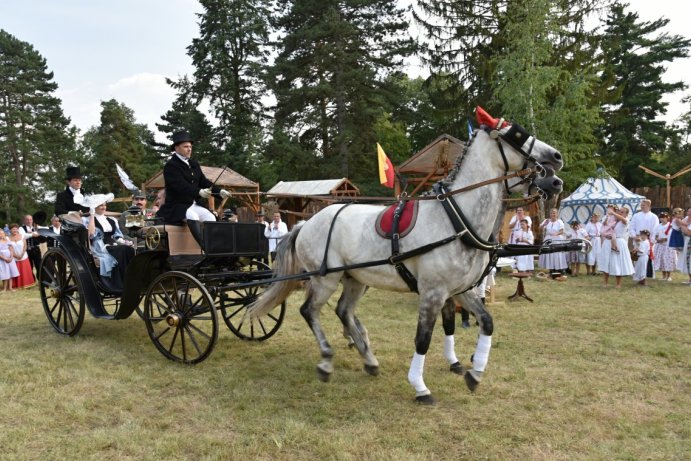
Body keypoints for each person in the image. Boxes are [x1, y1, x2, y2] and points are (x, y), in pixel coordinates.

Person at [156, 130, 231, 225]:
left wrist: (219, 192)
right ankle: (199, 240)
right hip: (177, 206)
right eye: (186, 147)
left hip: (194, 204)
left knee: (211, 218)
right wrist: (198, 191)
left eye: (190, 147)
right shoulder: (171, 166)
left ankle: (208, 240)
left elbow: (203, 182)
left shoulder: (194, 164)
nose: (189, 149)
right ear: (176, 148)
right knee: (193, 217)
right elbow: (180, 186)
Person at [83, 195, 134, 286]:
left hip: (113, 244)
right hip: (99, 246)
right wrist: (91, 215)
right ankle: (123, 282)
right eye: (100, 205)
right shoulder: (87, 220)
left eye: (104, 205)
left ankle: (129, 278)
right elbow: (91, 235)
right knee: (124, 250)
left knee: (129, 249)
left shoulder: (112, 220)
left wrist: (123, 241)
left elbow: (117, 235)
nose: (103, 207)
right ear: (94, 206)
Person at [597, 207, 634, 288]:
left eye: (622, 212)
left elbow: (623, 220)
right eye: (619, 211)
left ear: (626, 214)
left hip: (619, 242)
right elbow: (604, 226)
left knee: (618, 263)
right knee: (606, 261)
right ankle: (605, 283)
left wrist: (613, 213)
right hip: (608, 241)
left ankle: (618, 284)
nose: (620, 213)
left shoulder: (626, 220)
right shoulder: (613, 220)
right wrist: (608, 217)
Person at [629, 199, 659, 279]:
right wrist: (634, 236)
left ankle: (647, 274)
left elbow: (655, 229)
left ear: (649, 206)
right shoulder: (636, 215)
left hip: (648, 240)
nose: (642, 206)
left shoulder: (654, 216)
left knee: (647, 257)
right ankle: (637, 273)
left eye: (644, 205)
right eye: (641, 205)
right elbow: (632, 227)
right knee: (636, 256)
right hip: (638, 238)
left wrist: (652, 240)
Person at [538, 208, 567, 275]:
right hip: (548, 239)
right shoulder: (547, 221)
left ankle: (559, 269)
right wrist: (544, 224)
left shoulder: (559, 221)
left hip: (557, 239)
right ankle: (551, 269)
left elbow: (562, 231)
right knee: (549, 254)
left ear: (557, 214)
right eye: (551, 213)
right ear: (550, 214)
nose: (553, 214)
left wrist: (556, 234)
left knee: (557, 254)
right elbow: (540, 228)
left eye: (554, 213)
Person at [7, 223, 36, 289]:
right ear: (10, 230)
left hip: (23, 256)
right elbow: (9, 249)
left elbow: (25, 246)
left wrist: (22, 254)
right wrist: (16, 256)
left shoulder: (22, 236)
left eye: (16, 229)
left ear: (18, 229)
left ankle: (27, 284)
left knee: (25, 271)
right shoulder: (8, 238)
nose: (14, 230)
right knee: (16, 272)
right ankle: (17, 285)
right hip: (14, 258)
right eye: (13, 229)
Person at [652, 212, 677, 282]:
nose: (662, 219)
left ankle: (669, 276)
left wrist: (664, 239)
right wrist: (657, 238)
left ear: (667, 218)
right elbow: (655, 234)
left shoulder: (670, 226)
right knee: (662, 260)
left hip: (667, 246)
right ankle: (663, 275)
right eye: (661, 218)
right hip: (660, 245)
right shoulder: (658, 226)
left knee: (667, 260)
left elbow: (671, 235)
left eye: (664, 218)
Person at [18, 214, 42, 279]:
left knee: (39, 265)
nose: (29, 221)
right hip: (27, 250)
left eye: (30, 219)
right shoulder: (21, 228)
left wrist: (31, 233)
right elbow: (23, 236)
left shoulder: (37, 227)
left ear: (32, 220)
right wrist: (33, 234)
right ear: (24, 220)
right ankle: (31, 280)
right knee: (29, 266)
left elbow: (43, 231)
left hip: (36, 248)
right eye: (27, 219)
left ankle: (40, 280)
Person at [677, 207, 691, 285]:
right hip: (686, 240)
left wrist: (681, 225)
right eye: (688, 211)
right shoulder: (686, 218)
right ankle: (690, 279)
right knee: (687, 259)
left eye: (690, 212)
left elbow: (689, 232)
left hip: (690, 240)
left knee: (690, 260)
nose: (689, 213)